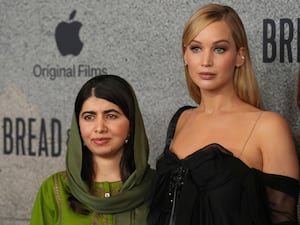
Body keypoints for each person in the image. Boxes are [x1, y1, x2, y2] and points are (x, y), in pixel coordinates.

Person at [148, 3, 299, 225]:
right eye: (196, 48)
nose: (206, 61)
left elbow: (284, 219)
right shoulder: (181, 119)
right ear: (185, 56)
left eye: (219, 49)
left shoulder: (268, 127)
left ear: (240, 56)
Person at [30, 75, 155, 225]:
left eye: (111, 116)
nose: (100, 127)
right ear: (78, 126)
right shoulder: (55, 189)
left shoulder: (158, 187)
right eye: (89, 117)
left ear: (131, 125)